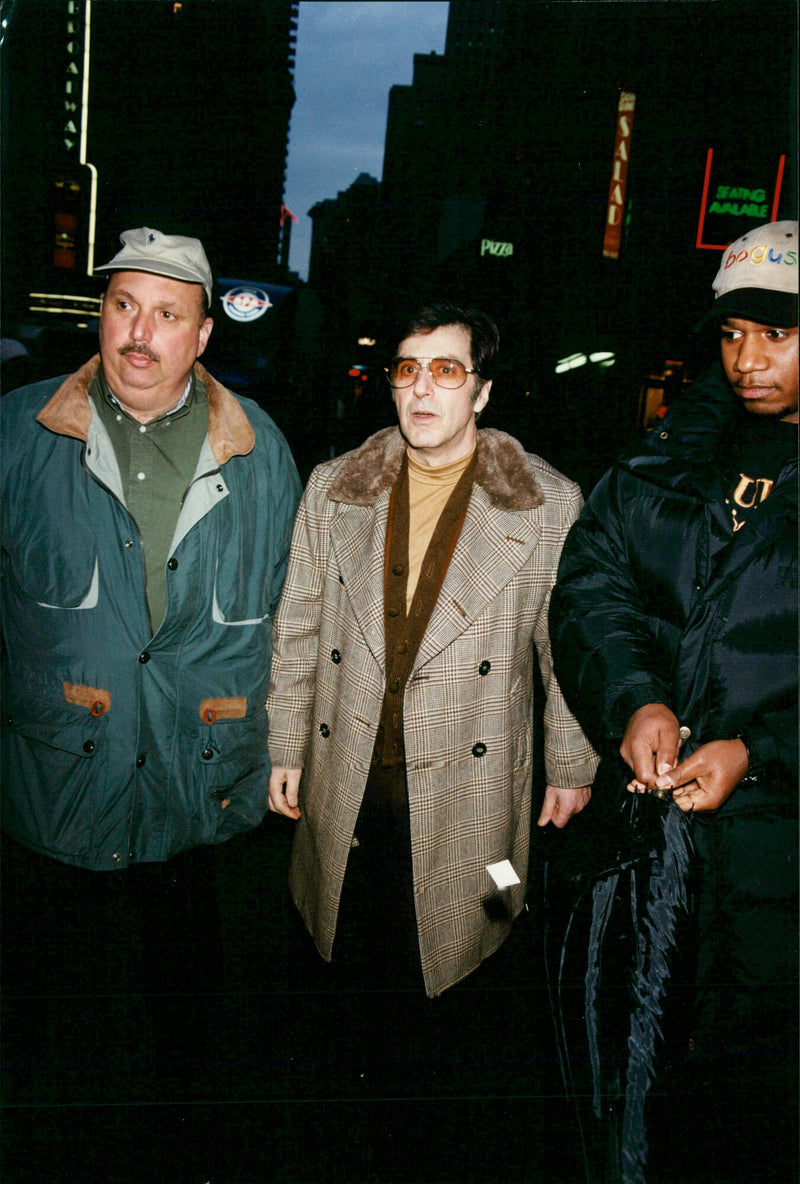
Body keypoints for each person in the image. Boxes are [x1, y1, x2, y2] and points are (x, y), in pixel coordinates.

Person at [1, 228, 302, 1093]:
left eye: (167, 314)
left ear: (203, 335)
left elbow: (293, 614)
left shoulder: (261, 454)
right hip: (53, 795)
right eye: (123, 305)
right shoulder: (20, 437)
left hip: (193, 797)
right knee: (44, 1041)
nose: (139, 333)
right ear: (100, 315)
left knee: (184, 1039)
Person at [549, 220, 798, 1182]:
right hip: (646, 848)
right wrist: (635, 702)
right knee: (628, 1082)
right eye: (734, 333)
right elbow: (593, 586)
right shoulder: (667, 457)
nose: (749, 360)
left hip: (778, 863)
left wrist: (760, 750)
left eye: (778, 334)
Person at [267, 300, 597, 1002]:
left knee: (475, 943)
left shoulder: (548, 503)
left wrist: (570, 764)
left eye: (446, 370)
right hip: (348, 773)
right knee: (343, 967)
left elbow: (562, 648)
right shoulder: (334, 488)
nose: (421, 388)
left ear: (482, 391)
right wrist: (285, 747)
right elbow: (297, 624)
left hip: (472, 783)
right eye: (408, 369)